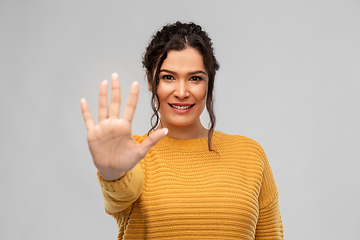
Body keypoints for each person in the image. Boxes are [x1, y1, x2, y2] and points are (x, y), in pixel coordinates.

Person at [81, 21, 284, 239]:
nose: (181, 92)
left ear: (209, 82)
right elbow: (120, 195)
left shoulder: (250, 154)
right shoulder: (133, 155)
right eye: (168, 77)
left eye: (195, 78)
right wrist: (113, 173)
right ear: (150, 81)